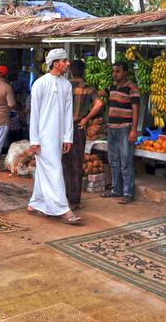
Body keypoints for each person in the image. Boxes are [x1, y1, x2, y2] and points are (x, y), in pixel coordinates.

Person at [27, 48, 81, 225]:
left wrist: (68, 137)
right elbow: (34, 114)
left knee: (46, 169)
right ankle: (63, 209)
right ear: (55, 63)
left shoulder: (66, 85)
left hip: (58, 137)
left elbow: (68, 114)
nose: (67, 64)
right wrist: (34, 140)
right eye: (64, 61)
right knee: (55, 170)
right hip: (43, 136)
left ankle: (36, 203)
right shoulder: (40, 84)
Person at [99, 62, 140, 204]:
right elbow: (99, 94)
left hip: (125, 128)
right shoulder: (112, 87)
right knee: (114, 160)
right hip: (112, 128)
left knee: (126, 161)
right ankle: (116, 190)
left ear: (125, 73)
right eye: (113, 71)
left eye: (117, 71)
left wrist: (134, 129)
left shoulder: (132, 88)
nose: (114, 74)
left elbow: (136, 110)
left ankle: (128, 193)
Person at [65, 59, 103, 210]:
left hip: (62, 126)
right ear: (84, 71)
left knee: (62, 163)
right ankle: (74, 200)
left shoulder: (64, 86)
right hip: (78, 127)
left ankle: (62, 197)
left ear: (70, 71)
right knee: (76, 163)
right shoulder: (88, 88)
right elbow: (99, 103)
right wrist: (86, 118)